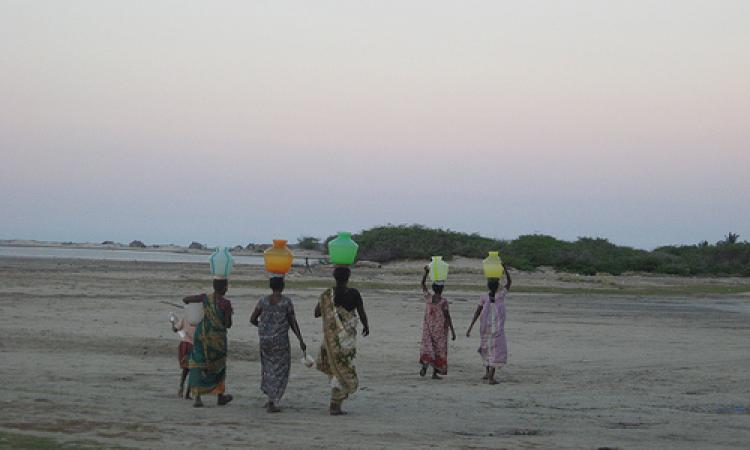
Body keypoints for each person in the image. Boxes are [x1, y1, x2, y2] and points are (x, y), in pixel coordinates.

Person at [314, 267, 369, 415]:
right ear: (348, 277)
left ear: (334, 277)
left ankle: (335, 402)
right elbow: (361, 312)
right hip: (346, 339)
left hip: (332, 339)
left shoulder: (327, 295)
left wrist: (331, 308)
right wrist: (366, 325)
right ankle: (335, 404)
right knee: (344, 367)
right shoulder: (354, 293)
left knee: (335, 369)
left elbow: (317, 313)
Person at [250, 276, 306, 413]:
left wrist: (264, 328)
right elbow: (293, 322)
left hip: (265, 340)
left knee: (268, 368)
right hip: (280, 342)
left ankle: (270, 397)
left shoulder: (263, 301)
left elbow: (252, 319)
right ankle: (272, 401)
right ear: (282, 287)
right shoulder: (286, 302)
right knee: (280, 370)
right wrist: (300, 339)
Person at [183, 278, 234, 407]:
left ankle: (197, 398)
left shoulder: (206, 298)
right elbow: (228, 324)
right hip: (217, 341)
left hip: (202, 336)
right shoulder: (226, 303)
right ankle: (220, 396)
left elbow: (186, 299)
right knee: (219, 367)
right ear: (225, 288)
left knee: (198, 364)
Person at [466, 264, 511, 384]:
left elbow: (477, 312)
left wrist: (470, 327)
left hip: (484, 329)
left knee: (487, 350)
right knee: (497, 352)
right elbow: (509, 283)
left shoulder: (484, 297)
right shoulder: (500, 296)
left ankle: (487, 373)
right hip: (497, 331)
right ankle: (491, 377)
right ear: (498, 287)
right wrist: (505, 269)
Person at [419, 266, 456, 379]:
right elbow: (447, 316)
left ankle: (426, 363)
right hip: (440, 330)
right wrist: (453, 331)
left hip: (428, 328)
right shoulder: (443, 302)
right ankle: (434, 373)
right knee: (439, 350)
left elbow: (423, 285)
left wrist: (426, 273)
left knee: (428, 347)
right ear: (442, 289)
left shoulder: (428, 298)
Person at [170, 312, 195, 399]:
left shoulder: (186, 318)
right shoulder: (200, 320)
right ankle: (187, 393)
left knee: (185, 369)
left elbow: (175, 329)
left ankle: (181, 388)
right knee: (193, 370)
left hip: (184, 345)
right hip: (194, 346)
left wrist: (173, 322)